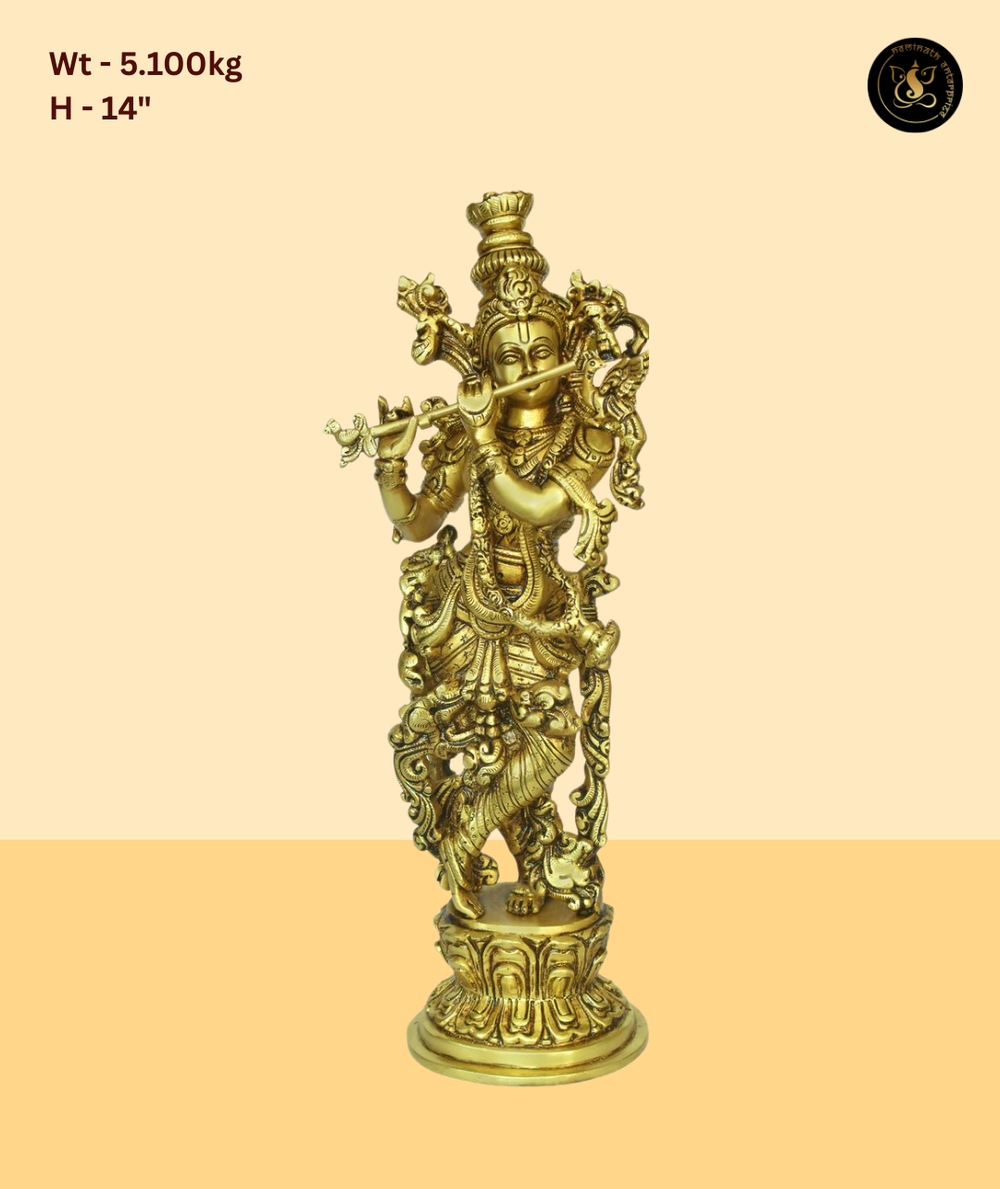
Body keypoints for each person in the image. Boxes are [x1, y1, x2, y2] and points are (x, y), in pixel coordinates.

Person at [377, 192, 649, 920]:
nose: (528, 366)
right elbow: (416, 522)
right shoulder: (469, 433)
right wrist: (390, 463)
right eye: (509, 357)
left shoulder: (585, 437)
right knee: (448, 737)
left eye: (540, 354)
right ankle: (489, 853)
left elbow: (538, 508)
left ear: (566, 355)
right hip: (467, 613)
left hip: (539, 616)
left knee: (550, 741)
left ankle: (473, 836)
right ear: (489, 366)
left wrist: (483, 438)